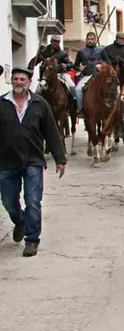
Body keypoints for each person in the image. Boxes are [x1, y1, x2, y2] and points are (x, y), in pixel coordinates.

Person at [0, 67, 66, 257]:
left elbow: (51, 132)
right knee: (8, 201)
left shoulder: (39, 104)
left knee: (33, 201)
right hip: (6, 161)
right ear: (11, 81)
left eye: (22, 79)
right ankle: (20, 221)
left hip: (33, 160)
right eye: (16, 79)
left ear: (29, 82)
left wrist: (60, 158)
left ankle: (32, 240)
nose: (19, 82)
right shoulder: (2, 103)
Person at [73, 32, 111, 117]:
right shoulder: (81, 51)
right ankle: (81, 110)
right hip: (86, 75)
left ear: (95, 40)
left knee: (111, 88)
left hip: (100, 76)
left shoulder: (101, 50)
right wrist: (79, 68)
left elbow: (109, 63)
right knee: (78, 90)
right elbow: (75, 66)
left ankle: (111, 107)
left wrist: (102, 66)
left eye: (92, 39)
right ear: (86, 40)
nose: (90, 41)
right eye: (88, 39)